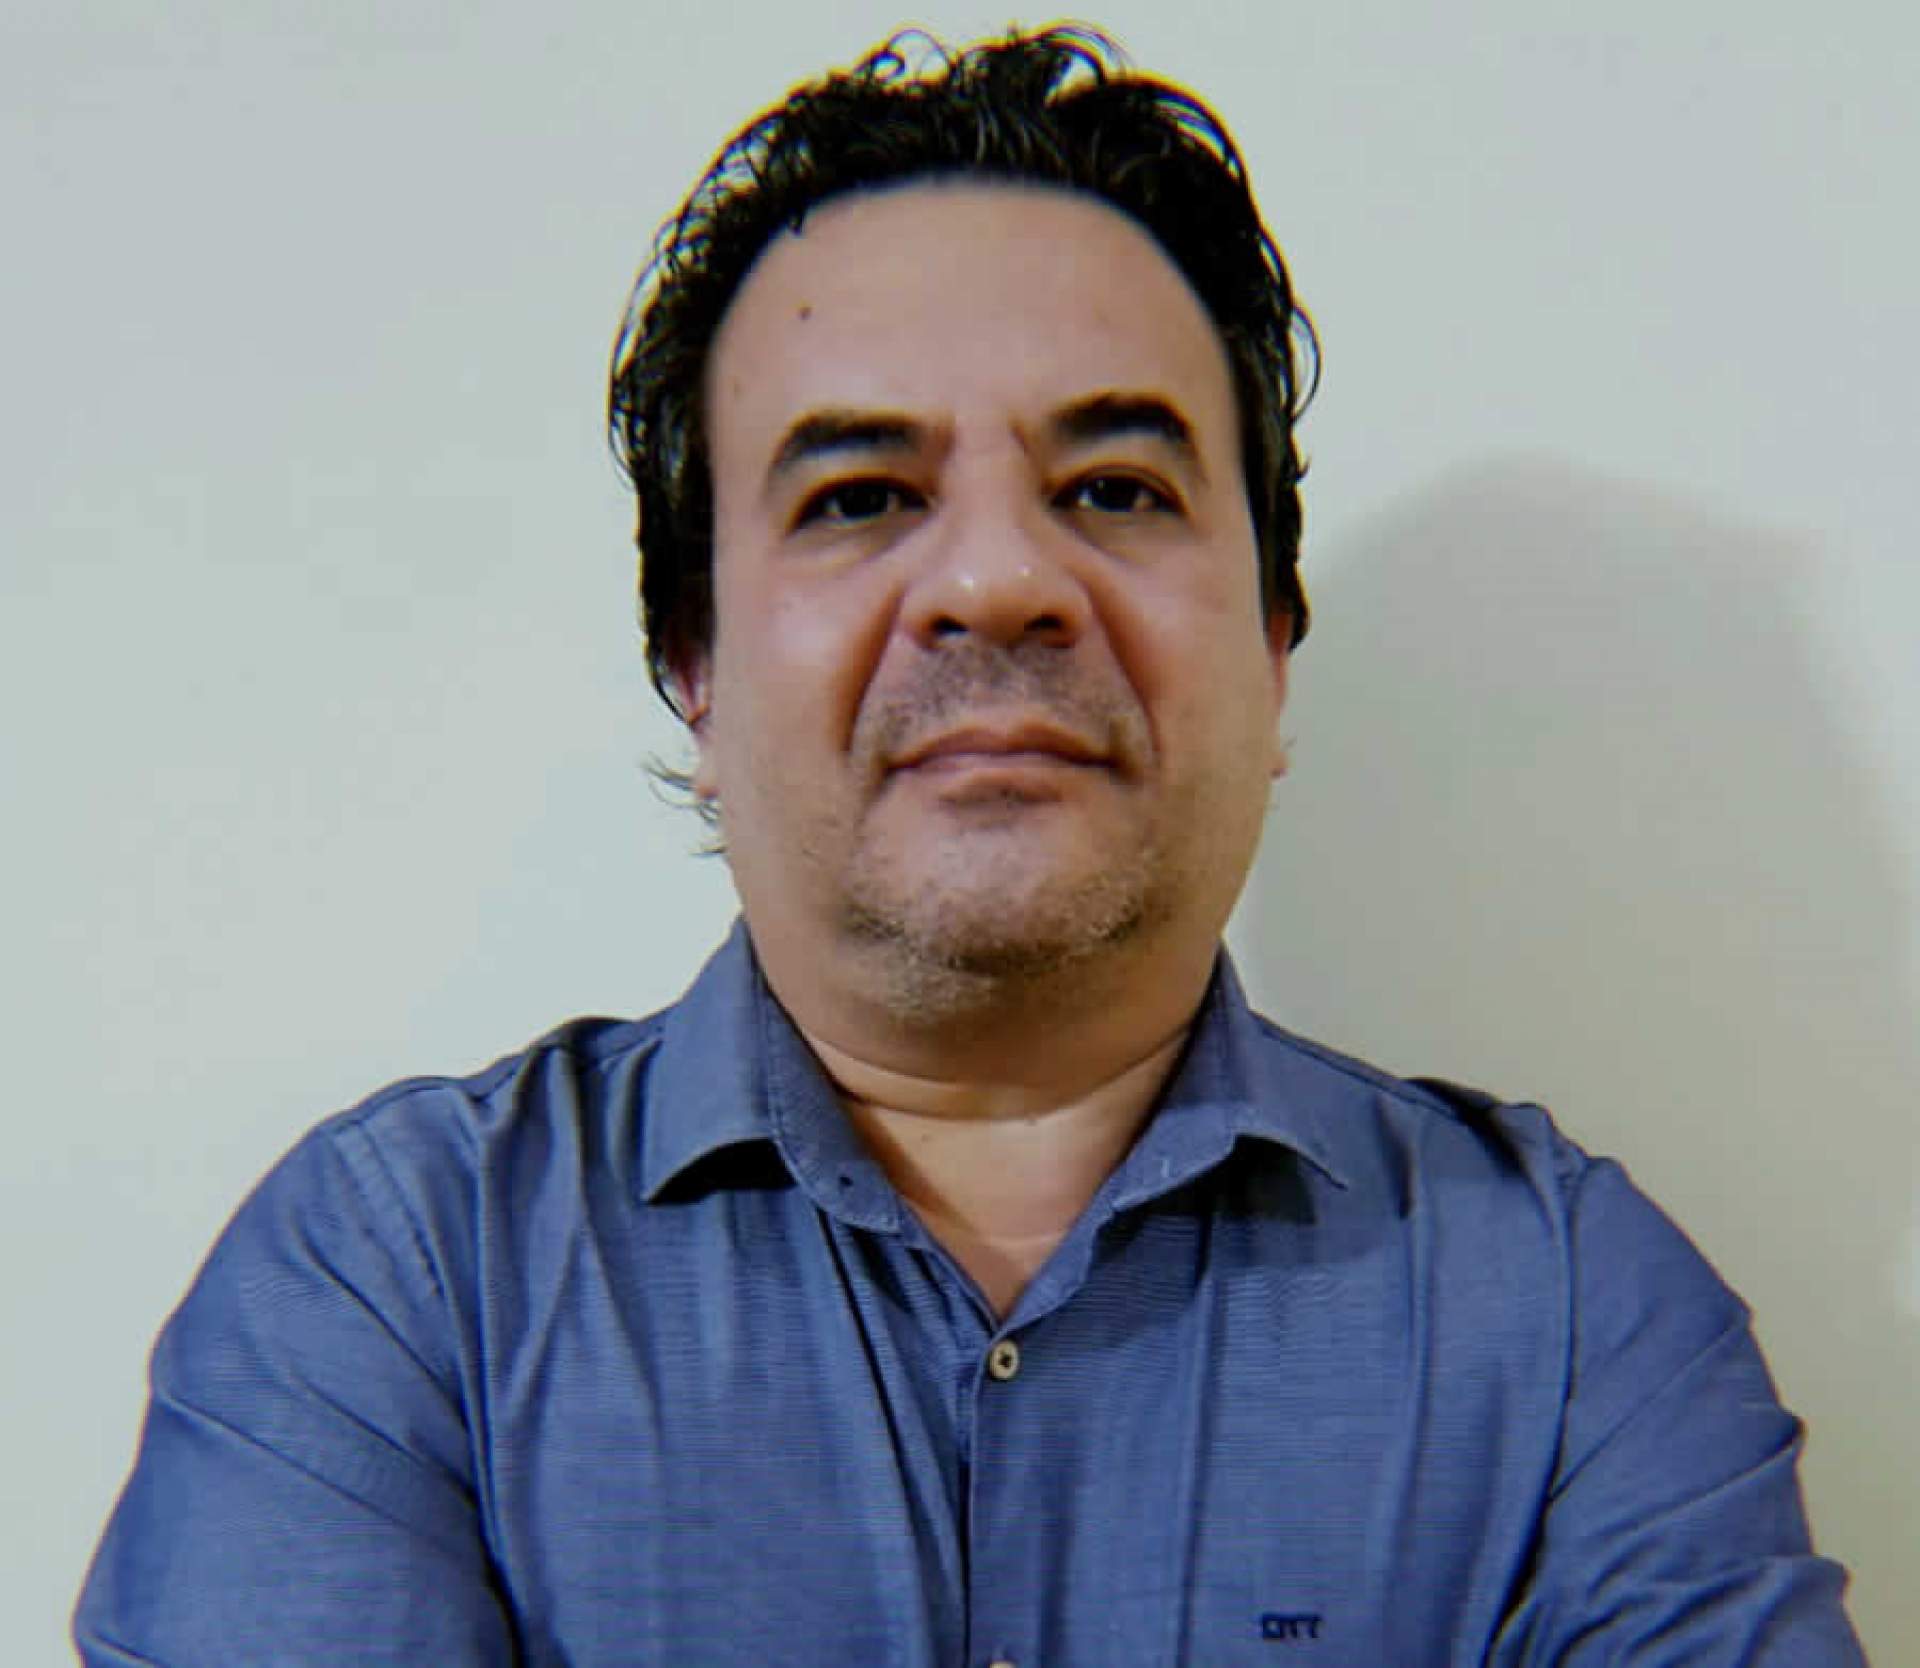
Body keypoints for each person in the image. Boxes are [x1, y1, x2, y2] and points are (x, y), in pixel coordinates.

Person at [75, 27, 1867, 1666]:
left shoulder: (1570, 1315)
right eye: (860, 496)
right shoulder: (393, 1288)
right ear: (694, 665)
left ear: (1269, 647)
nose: (1001, 580)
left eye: (1116, 489)